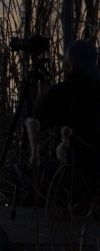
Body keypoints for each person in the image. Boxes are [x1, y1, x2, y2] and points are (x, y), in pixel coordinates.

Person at [33, 39, 100, 212]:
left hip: (67, 176)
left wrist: (46, 97)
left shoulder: (61, 91)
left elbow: (38, 123)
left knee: (18, 171)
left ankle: (59, 205)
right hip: (96, 178)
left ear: (70, 64)